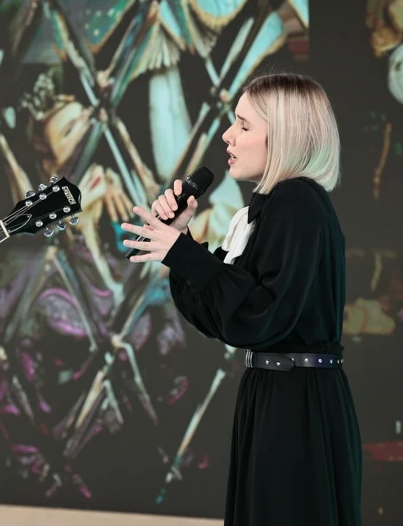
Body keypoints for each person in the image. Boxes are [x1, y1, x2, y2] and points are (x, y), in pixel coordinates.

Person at [120, 73, 362, 525]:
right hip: (277, 393)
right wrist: (180, 243)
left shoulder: (296, 201)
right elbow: (222, 316)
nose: (228, 136)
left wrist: (184, 253)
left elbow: (259, 314)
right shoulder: (274, 206)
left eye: (244, 125)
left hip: (296, 403)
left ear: (285, 135)